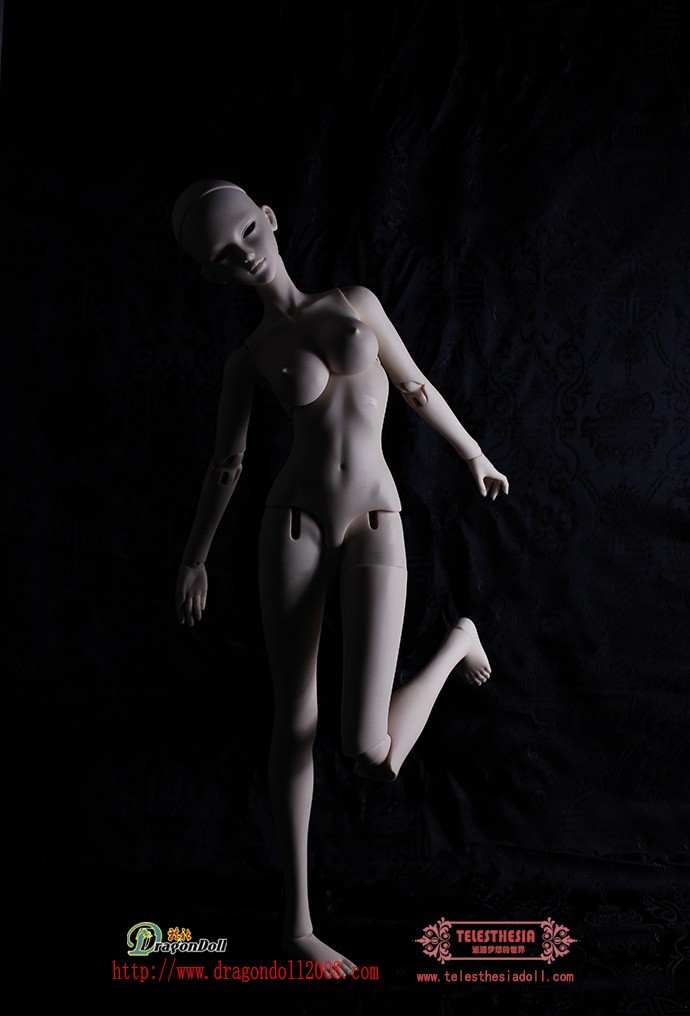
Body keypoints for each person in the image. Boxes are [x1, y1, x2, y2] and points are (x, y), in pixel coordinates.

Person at [172, 179, 509, 976]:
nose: (245, 256)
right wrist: (194, 556)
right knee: (293, 719)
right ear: (214, 275)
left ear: (269, 219)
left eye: (247, 232)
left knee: (369, 750)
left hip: (376, 519)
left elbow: (414, 384)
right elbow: (227, 464)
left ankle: (456, 641)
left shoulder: (355, 303)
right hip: (292, 524)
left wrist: (473, 452)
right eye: (224, 257)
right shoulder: (250, 358)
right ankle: (296, 925)